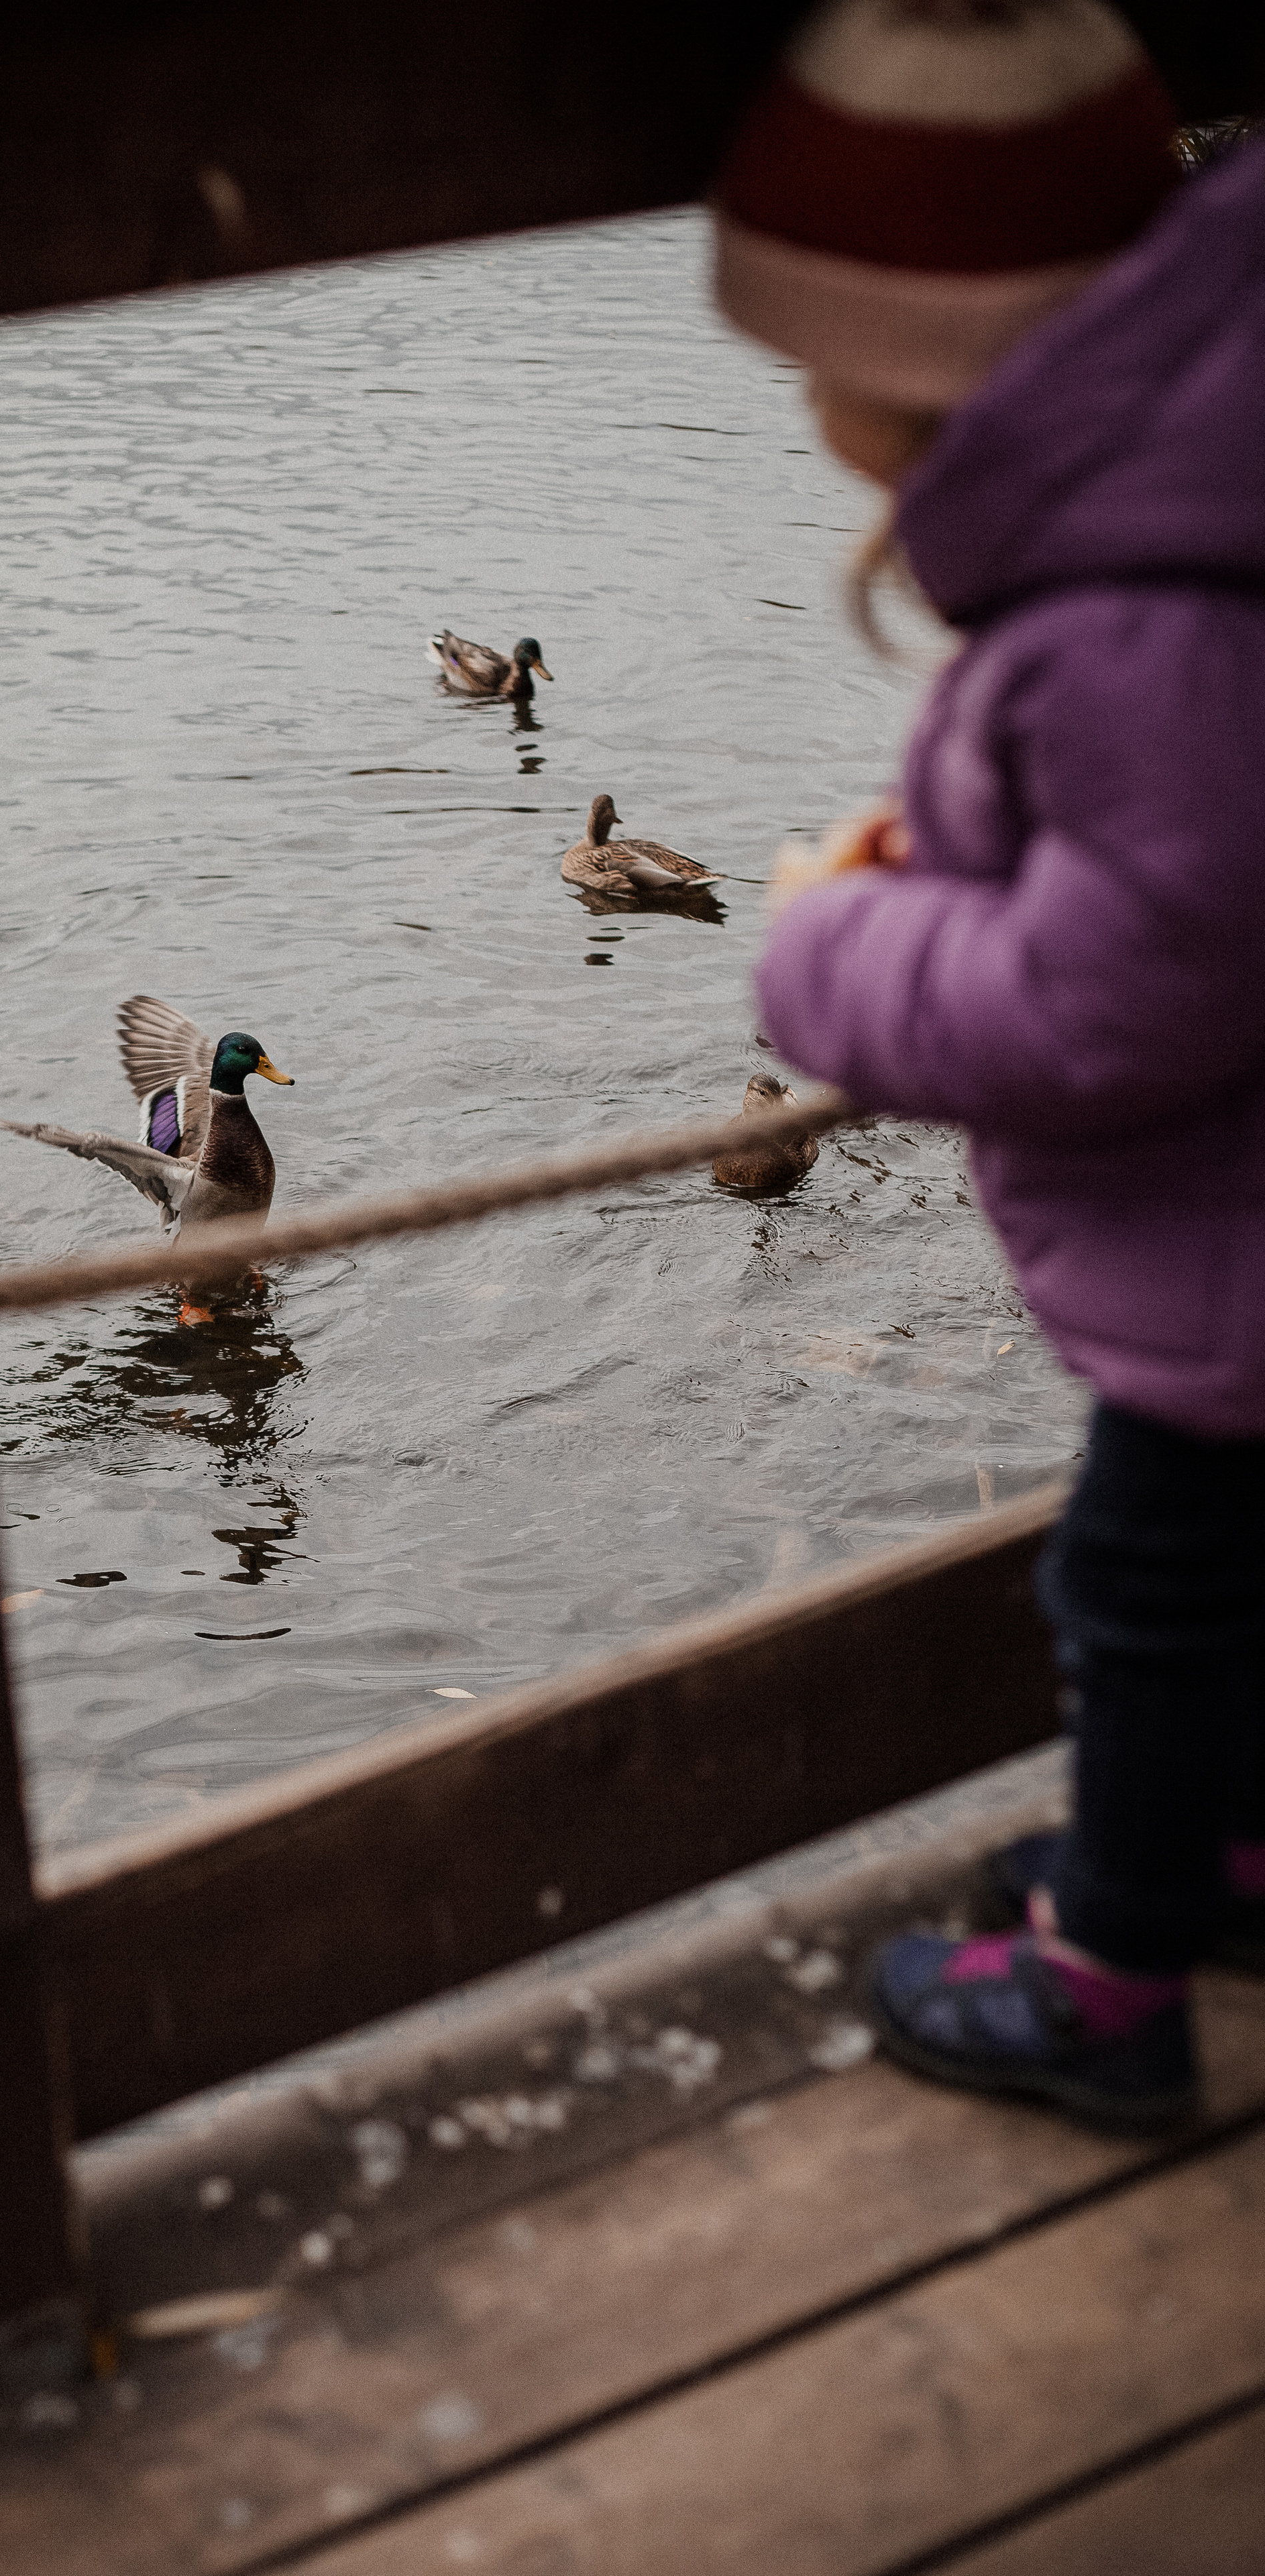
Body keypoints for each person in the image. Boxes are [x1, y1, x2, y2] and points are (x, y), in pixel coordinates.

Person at [712, 0, 1265, 2132]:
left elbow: (1119, 996)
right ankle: (1216, 1852)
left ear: (922, 370)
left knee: (1136, 1584)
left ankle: (1113, 1988)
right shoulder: (1195, 546)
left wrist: (829, 941)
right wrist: (976, 862)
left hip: (1236, 1275)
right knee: (1227, 1588)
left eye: (807, 373)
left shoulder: (1137, 623)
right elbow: (1194, 866)